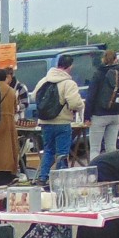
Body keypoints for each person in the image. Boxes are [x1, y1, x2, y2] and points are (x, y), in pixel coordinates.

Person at [31, 54, 83, 185]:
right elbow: (75, 103)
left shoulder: (44, 81)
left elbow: (33, 97)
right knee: (62, 152)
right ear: (70, 67)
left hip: (45, 122)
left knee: (48, 150)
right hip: (62, 122)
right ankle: (61, 179)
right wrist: (80, 107)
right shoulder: (68, 83)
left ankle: (43, 177)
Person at [85, 49, 119, 156]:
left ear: (103, 59)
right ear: (116, 59)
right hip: (115, 114)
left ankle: (94, 171)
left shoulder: (99, 73)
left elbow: (91, 96)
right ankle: (112, 171)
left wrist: (87, 116)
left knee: (95, 148)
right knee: (111, 148)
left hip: (99, 115)